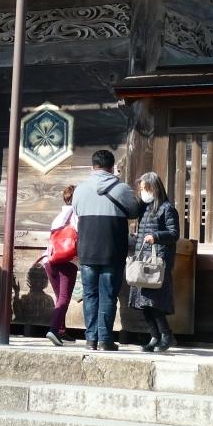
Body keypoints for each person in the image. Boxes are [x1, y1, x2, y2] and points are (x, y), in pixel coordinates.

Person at [71, 149, 143, 352]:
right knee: (108, 295)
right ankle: (104, 340)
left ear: (92, 166)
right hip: (113, 249)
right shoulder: (122, 189)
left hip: (87, 250)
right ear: (112, 168)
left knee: (90, 295)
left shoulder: (80, 189)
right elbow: (134, 212)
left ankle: (90, 339)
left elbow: (76, 211)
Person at [129, 171, 179, 353]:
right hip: (142, 262)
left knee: (154, 302)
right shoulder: (143, 208)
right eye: (141, 189)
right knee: (143, 303)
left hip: (157, 263)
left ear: (154, 188)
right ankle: (155, 336)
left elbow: (174, 234)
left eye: (145, 188)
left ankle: (166, 335)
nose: (143, 192)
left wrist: (156, 236)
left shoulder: (167, 208)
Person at [41, 185, 78, 346]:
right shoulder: (77, 217)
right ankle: (54, 330)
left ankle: (61, 330)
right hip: (67, 261)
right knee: (64, 298)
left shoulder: (58, 217)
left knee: (60, 297)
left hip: (50, 261)